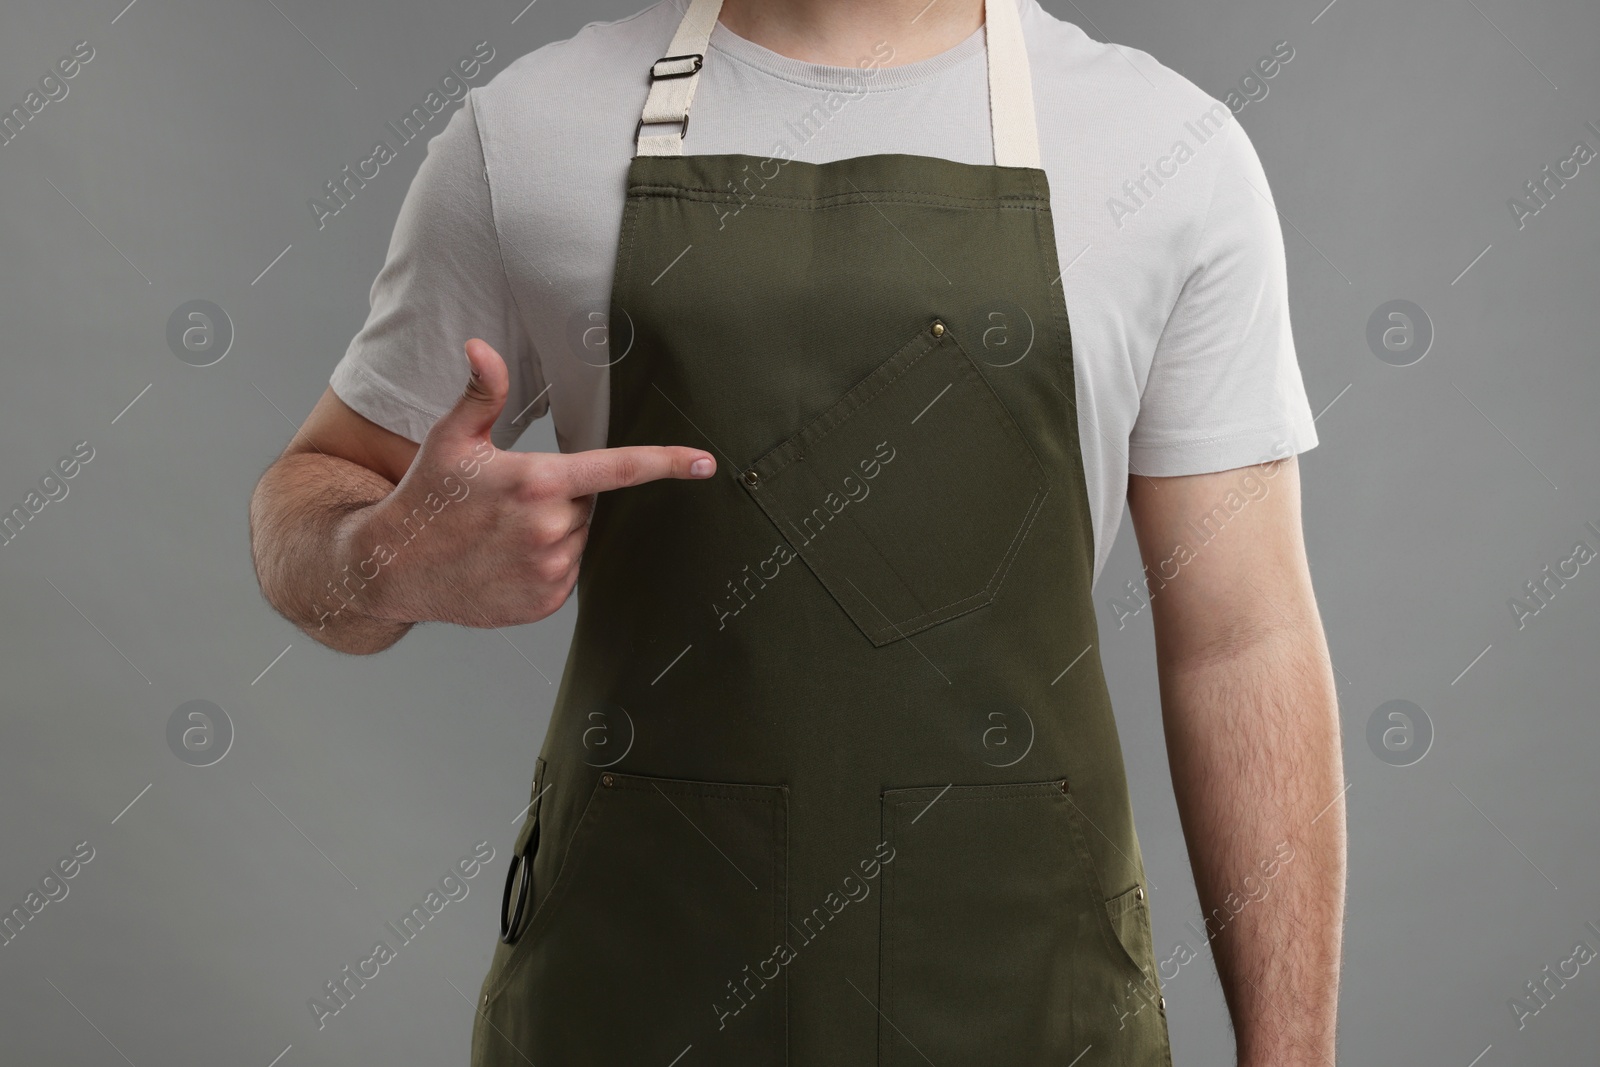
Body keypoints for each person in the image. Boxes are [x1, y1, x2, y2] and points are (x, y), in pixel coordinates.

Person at [248, 0, 1345, 1063]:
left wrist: (1291, 1054)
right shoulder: (529, 134)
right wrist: (384, 556)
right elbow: (311, 507)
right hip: (632, 995)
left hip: (1027, 995)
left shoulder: (1169, 153)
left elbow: (1243, 639)